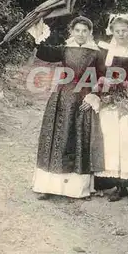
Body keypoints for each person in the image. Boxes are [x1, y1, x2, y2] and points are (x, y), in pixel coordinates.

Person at [30, 16, 105, 200]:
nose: (80, 34)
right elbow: (43, 53)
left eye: (84, 31)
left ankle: (77, 188)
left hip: (83, 99)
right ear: (72, 31)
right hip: (62, 98)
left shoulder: (97, 53)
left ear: (90, 33)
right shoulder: (64, 49)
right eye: (77, 30)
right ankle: (48, 186)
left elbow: (102, 77)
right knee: (57, 140)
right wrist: (39, 35)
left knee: (79, 141)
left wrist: (94, 95)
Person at [90, 13, 128, 209]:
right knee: (112, 142)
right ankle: (119, 185)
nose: (120, 34)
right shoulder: (104, 50)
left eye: (124, 30)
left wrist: (126, 85)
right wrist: (103, 84)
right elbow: (97, 72)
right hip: (110, 101)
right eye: (117, 31)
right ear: (112, 31)